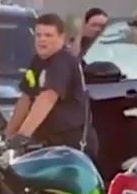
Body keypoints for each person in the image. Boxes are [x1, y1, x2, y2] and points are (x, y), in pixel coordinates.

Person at [7, 13, 97, 158]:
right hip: (48, 142)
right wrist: (9, 135)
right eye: (38, 35)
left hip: (71, 144)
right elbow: (26, 97)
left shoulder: (62, 62)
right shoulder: (37, 62)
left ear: (62, 38)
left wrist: (22, 136)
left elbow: (47, 98)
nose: (42, 39)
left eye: (48, 35)